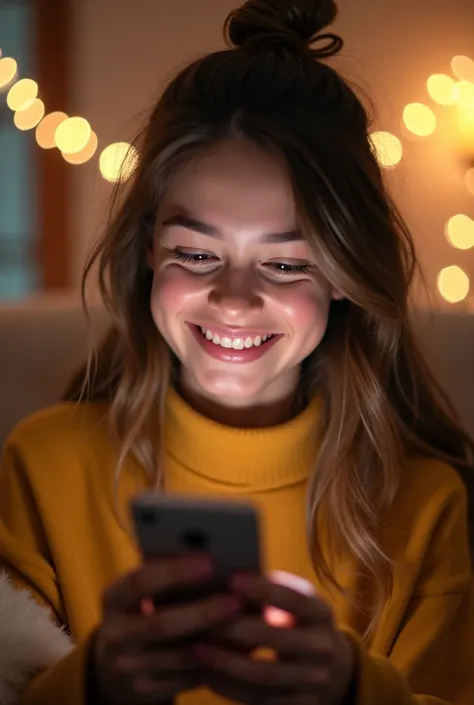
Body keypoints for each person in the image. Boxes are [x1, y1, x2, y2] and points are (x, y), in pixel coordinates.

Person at [0, 0, 472, 703]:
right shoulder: (44, 464)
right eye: (195, 252)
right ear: (146, 255)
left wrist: (348, 690)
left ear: (345, 274)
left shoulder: (425, 505)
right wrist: (96, 683)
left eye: (285, 264)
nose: (233, 299)